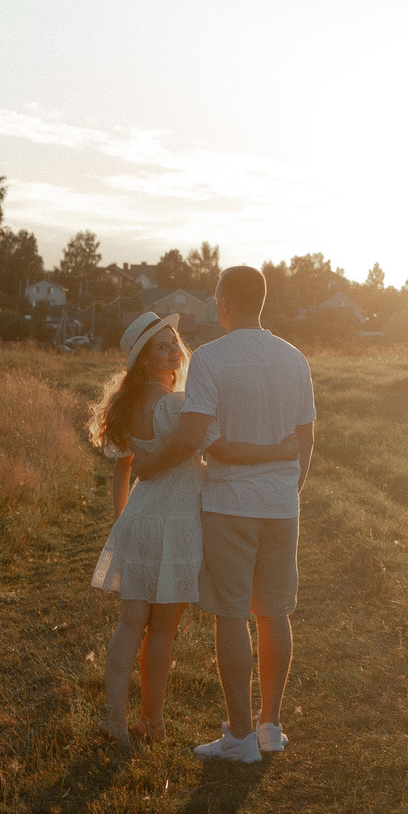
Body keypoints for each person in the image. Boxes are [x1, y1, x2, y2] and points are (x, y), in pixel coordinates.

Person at [88, 310, 299, 746]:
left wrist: (123, 523)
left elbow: (124, 469)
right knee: (161, 628)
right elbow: (213, 449)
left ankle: (117, 718)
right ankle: (152, 719)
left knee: (130, 623)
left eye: (173, 341)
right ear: (145, 361)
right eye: (162, 346)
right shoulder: (176, 405)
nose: (174, 349)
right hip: (178, 520)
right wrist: (278, 451)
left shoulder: (126, 407)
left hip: (142, 518)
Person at [133, 264, 316, 764]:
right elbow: (305, 439)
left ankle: (239, 735)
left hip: (229, 506)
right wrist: (286, 487)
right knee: (274, 610)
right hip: (281, 506)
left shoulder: (211, 359)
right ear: (261, 301)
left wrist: (147, 466)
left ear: (225, 305)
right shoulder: (294, 359)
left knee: (232, 611)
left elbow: (194, 438)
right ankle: (270, 727)